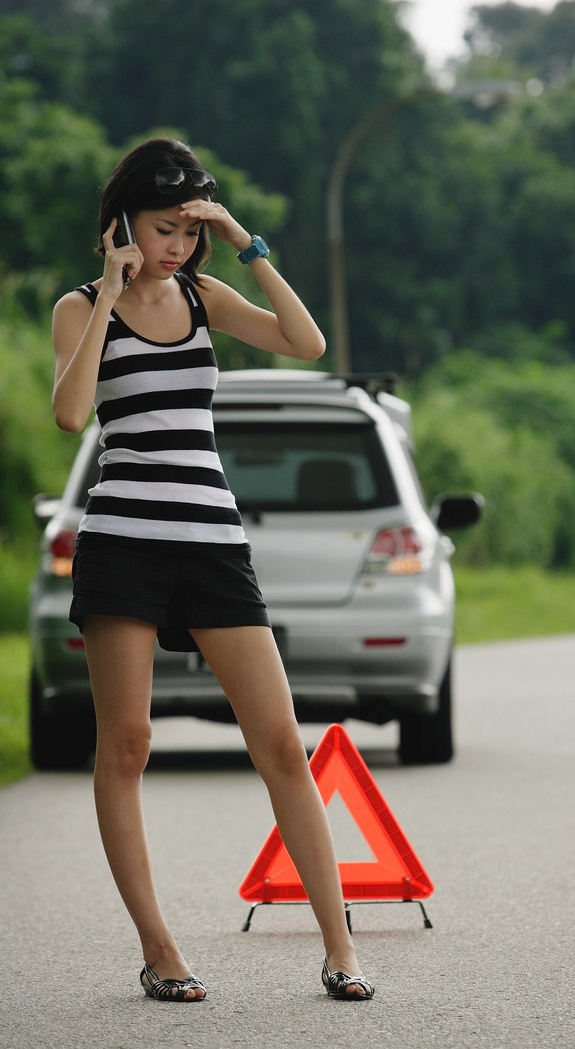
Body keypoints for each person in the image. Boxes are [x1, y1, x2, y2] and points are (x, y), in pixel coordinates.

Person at [51, 136, 374, 1003]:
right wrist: (116, 289)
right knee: (127, 745)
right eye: (164, 229)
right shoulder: (80, 307)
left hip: (211, 541)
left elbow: (304, 344)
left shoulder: (205, 292)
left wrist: (244, 243)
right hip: (122, 540)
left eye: (188, 232)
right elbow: (71, 413)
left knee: (279, 744)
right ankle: (161, 950)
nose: (176, 247)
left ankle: (341, 951)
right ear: (121, 221)